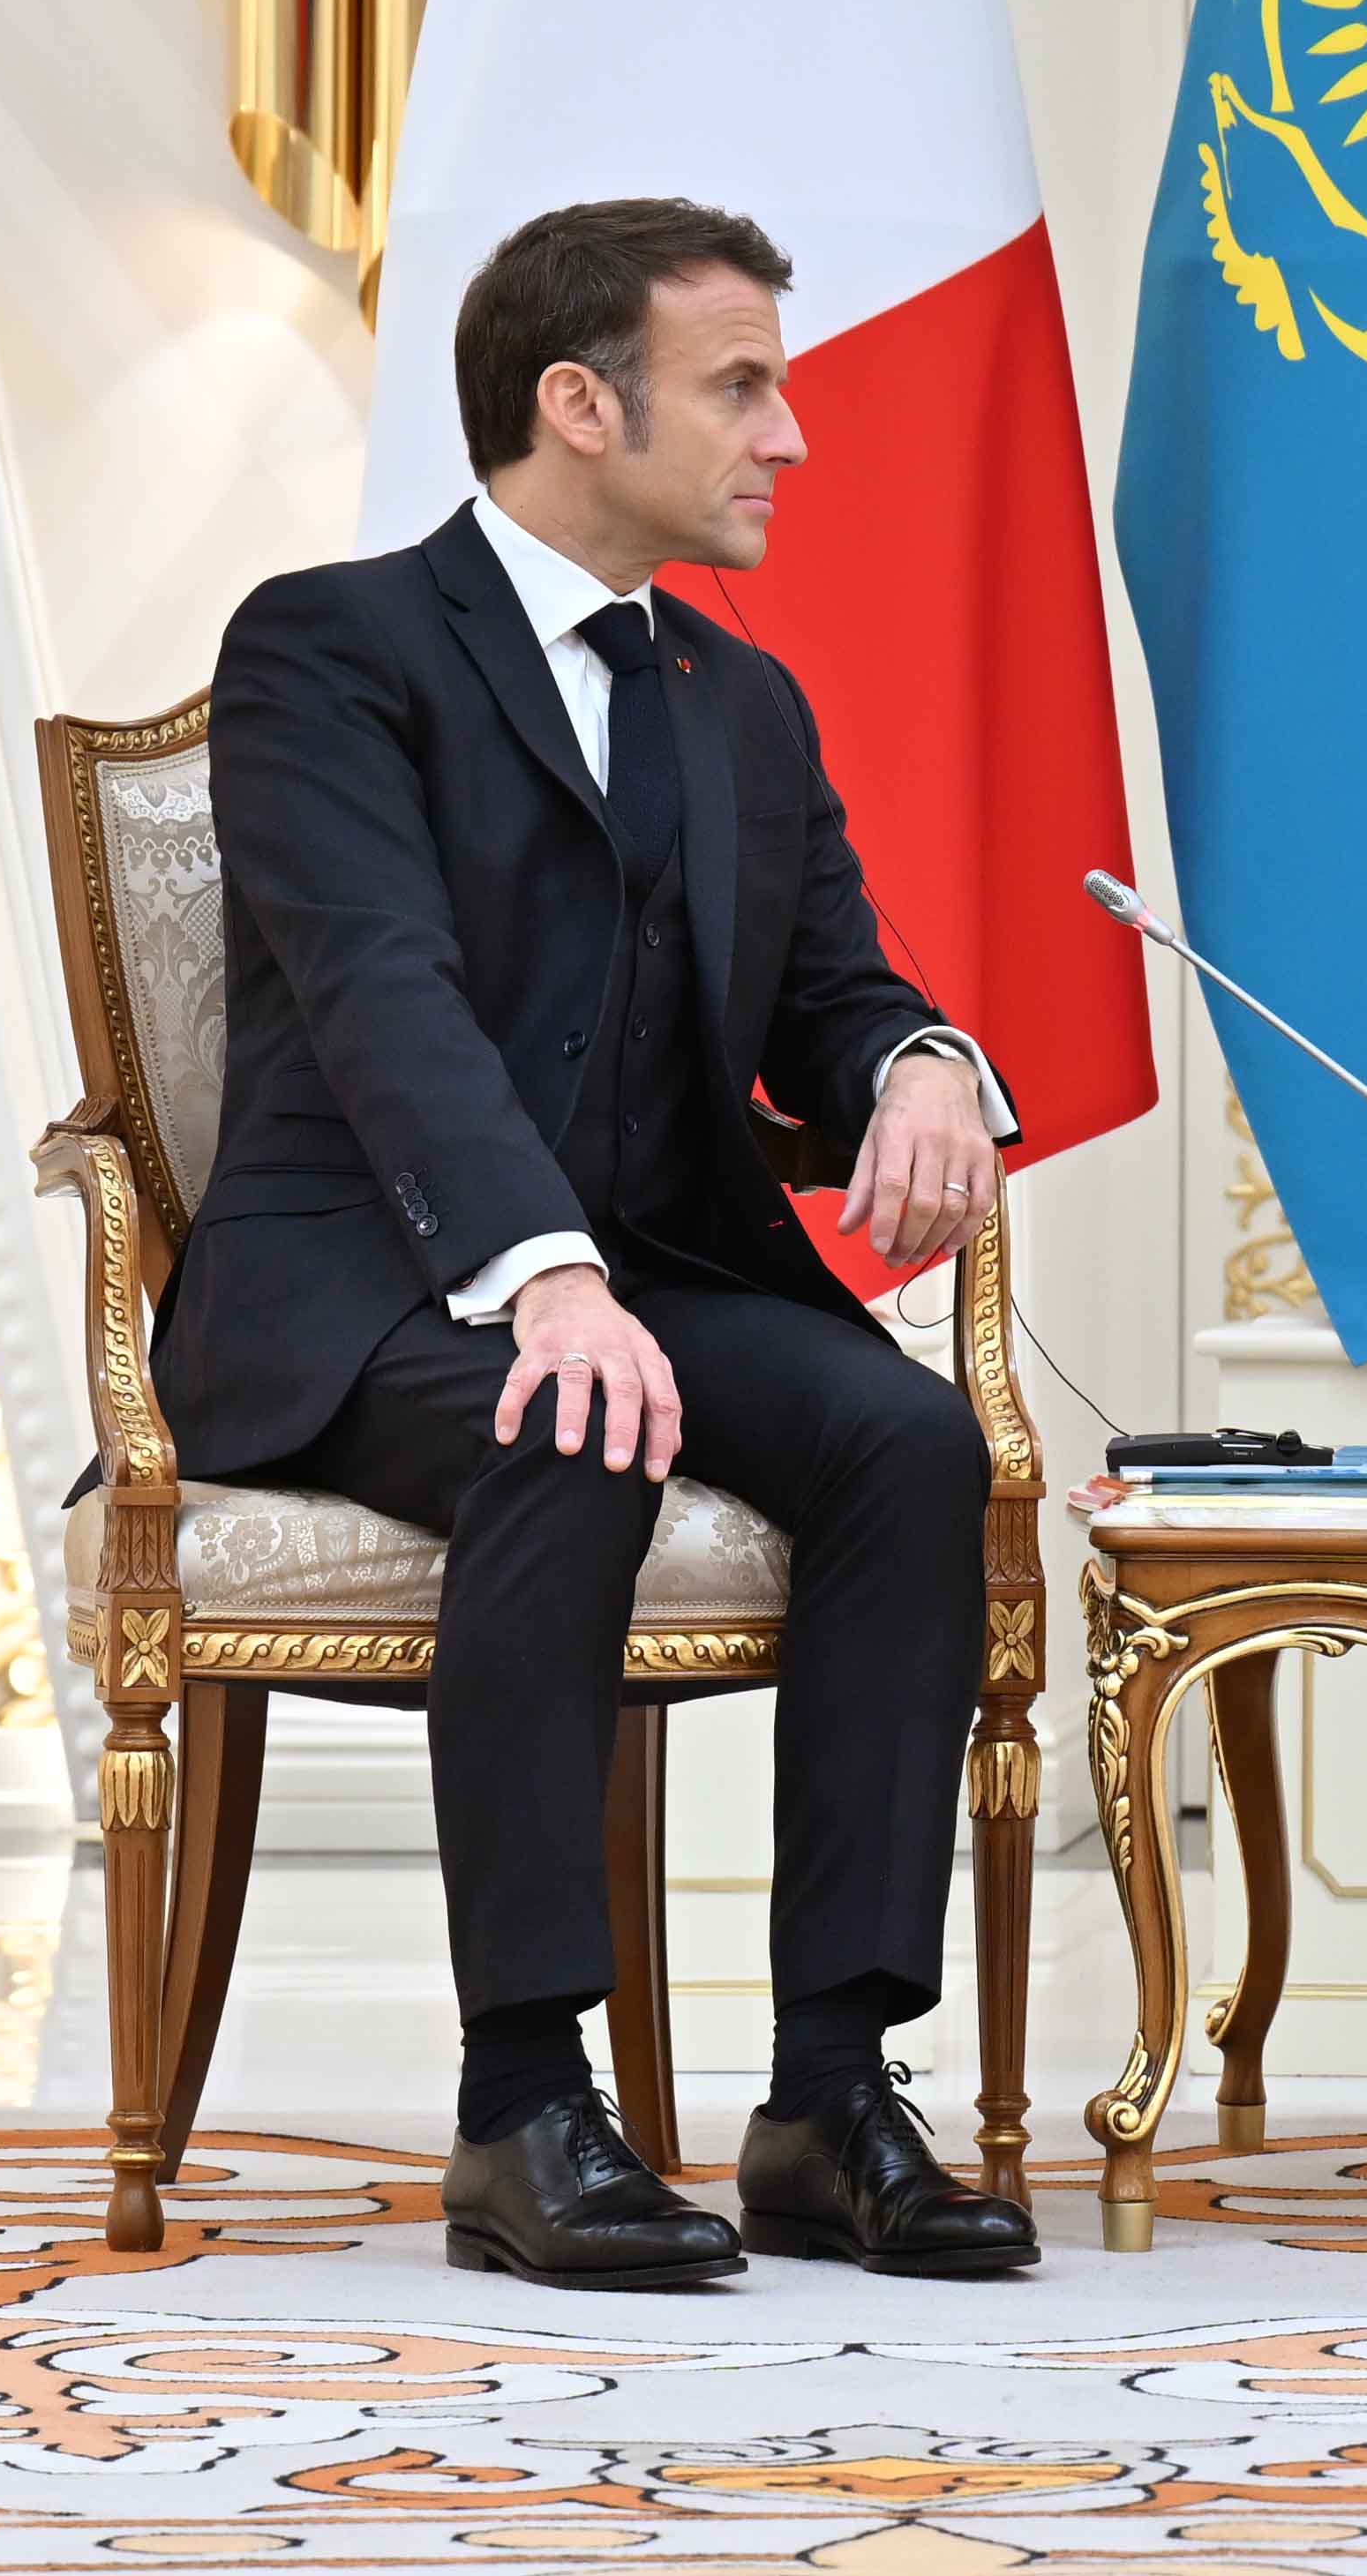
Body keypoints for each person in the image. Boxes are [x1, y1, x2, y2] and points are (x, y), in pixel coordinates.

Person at [155, 195, 1040, 2288]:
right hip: (366, 1287)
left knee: (904, 1442)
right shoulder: (329, 646)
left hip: (656, 1266)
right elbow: (378, 992)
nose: (788, 434)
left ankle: (828, 2096)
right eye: (740, 386)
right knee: (571, 1424)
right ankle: (522, 2103)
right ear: (578, 401)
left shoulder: (741, 703)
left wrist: (924, 1063)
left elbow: (833, 989)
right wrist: (539, 1271)